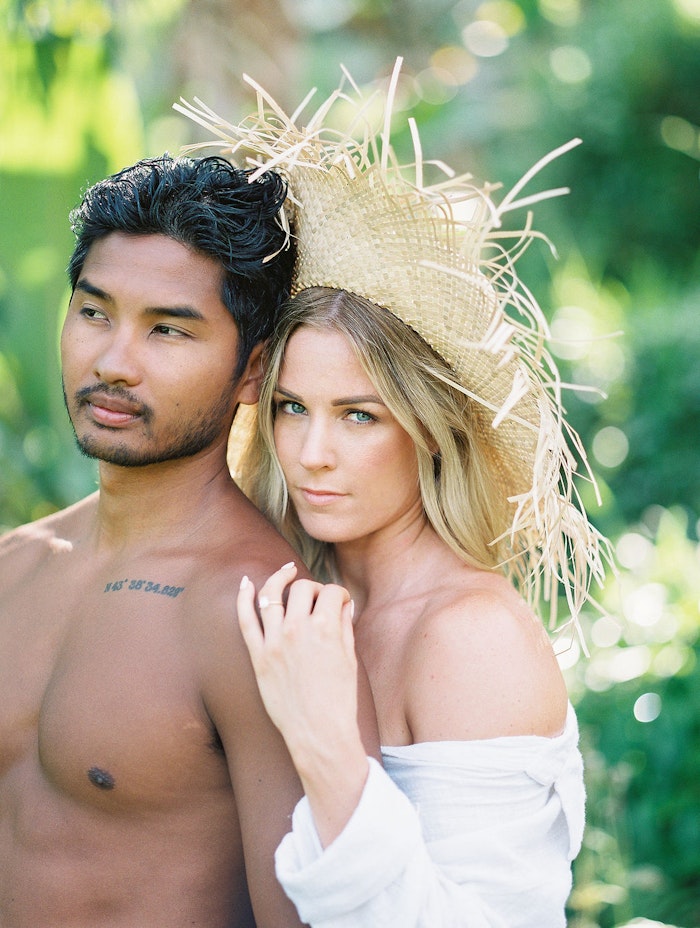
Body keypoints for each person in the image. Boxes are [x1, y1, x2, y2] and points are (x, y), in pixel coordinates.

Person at [179, 62, 612, 928]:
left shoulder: (470, 638)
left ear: (431, 430)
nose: (312, 454)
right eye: (292, 408)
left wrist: (326, 743)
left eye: (359, 416)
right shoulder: (293, 590)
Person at [0, 153, 379, 927]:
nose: (114, 362)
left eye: (167, 330)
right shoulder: (15, 563)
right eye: (95, 312)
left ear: (254, 370)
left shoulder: (262, 618)